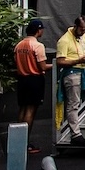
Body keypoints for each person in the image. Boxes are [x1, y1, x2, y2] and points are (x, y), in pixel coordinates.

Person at [53, 15, 85, 149]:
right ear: (75, 26)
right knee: (73, 103)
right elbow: (60, 61)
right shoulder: (64, 40)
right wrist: (78, 60)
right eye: (81, 29)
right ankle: (75, 134)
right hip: (72, 72)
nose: (83, 32)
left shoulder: (84, 36)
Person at [13, 20, 51, 153]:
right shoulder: (38, 46)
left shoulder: (19, 45)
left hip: (22, 79)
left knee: (22, 109)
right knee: (30, 110)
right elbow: (43, 66)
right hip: (34, 80)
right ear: (38, 30)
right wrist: (56, 64)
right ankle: (24, 143)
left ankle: (17, 140)